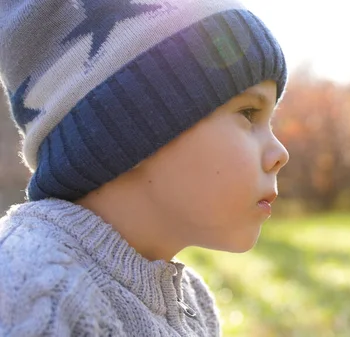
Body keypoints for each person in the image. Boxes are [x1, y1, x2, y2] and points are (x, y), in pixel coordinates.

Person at [0, 0, 289, 335]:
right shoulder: (31, 287)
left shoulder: (192, 303)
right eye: (249, 113)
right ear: (131, 125)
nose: (279, 153)